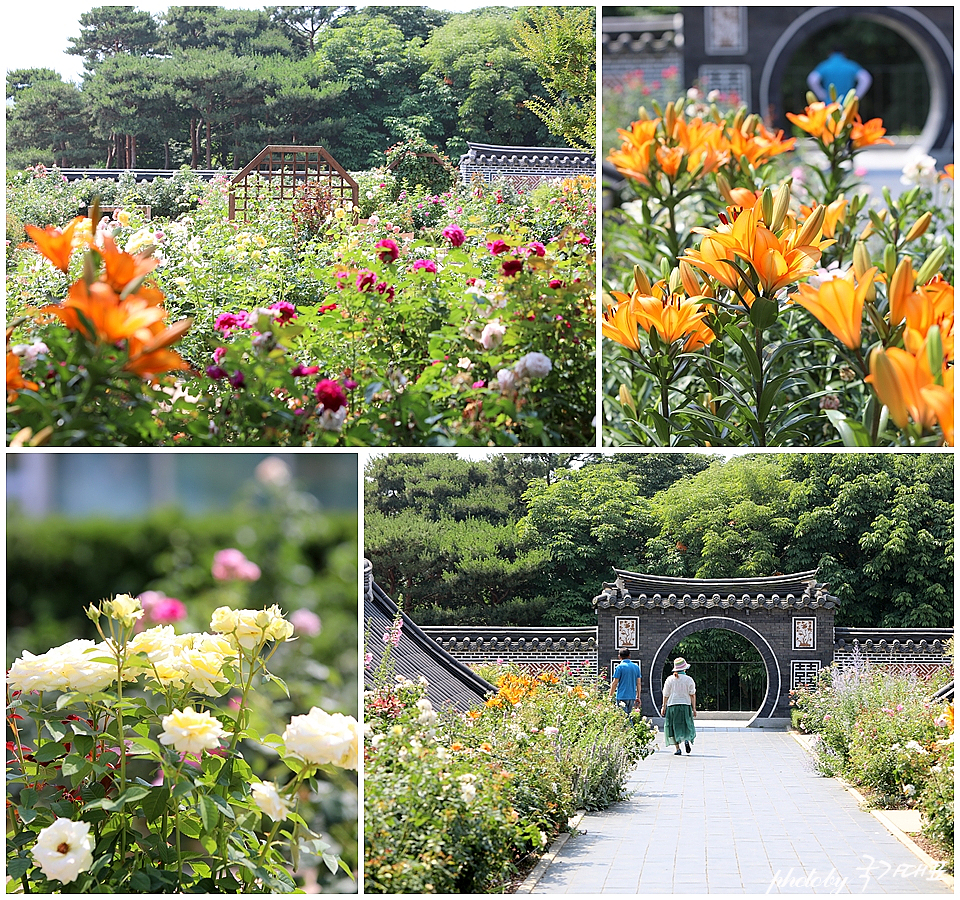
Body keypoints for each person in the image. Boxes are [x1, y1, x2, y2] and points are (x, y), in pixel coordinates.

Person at [661, 657, 697, 756]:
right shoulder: (689, 679)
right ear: (684, 669)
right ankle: (686, 739)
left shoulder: (670, 679)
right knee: (686, 724)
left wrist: (663, 707)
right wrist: (694, 708)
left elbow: (666, 694)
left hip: (672, 705)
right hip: (685, 705)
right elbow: (692, 694)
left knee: (673, 726)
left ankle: (677, 748)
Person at [807, 49, 872, 102]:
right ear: (844, 53)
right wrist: (856, 96)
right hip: (847, 104)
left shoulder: (825, 65)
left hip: (829, 104)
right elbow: (866, 78)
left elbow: (812, 79)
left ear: (829, 53)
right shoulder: (851, 65)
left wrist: (822, 95)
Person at [609, 648, 641, 715]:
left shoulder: (619, 667)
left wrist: (610, 696)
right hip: (632, 696)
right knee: (629, 716)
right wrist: (638, 696)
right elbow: (638, 683)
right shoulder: (636, 667)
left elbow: (615, 683)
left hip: (622, 696)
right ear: (629, 656)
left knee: (622, 718)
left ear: (619, 657)